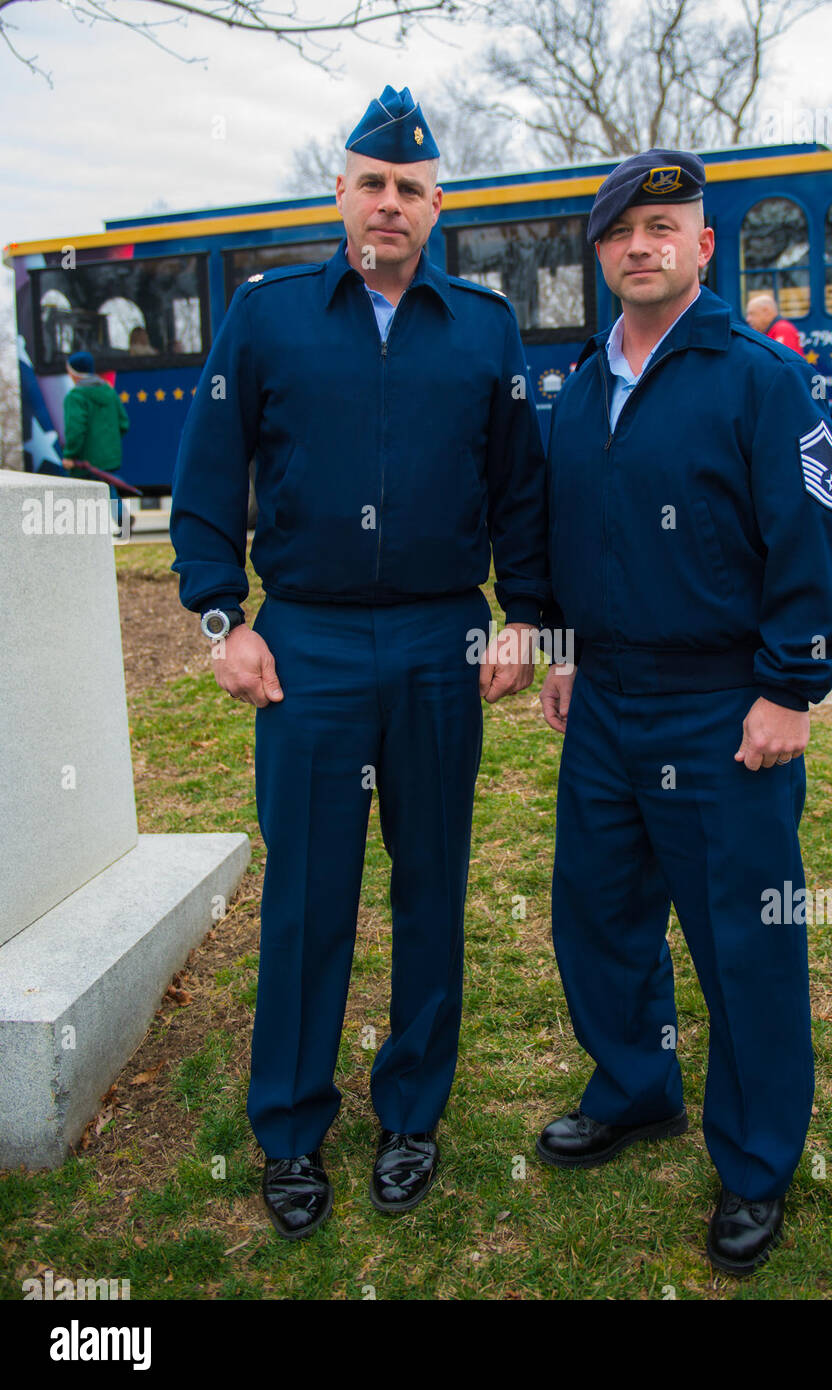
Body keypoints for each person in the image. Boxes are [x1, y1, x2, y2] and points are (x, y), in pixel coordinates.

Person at [169, 86, 549, 1239]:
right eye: (371, 185)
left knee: (431, 886)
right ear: (341, 193)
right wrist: (217, 620)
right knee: (307, 895)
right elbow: (203, 476)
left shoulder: (482, 326)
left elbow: (521, 487)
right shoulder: (268, 315)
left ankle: (411, 1114)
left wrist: (524, 613)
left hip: (440, 638)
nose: (389, 206)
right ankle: (289, 1129)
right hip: (311, 644)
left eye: (411, 191)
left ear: (439, 207)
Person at [537, 149, 832, 1276]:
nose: (642, 244)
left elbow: (815, 540)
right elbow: (574, 533)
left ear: (702, 246)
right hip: (605, 706)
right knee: (597, 914)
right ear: (599, 250)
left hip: (724, 708)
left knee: (747, 943)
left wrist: (789, 687)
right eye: (622, 229)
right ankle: (636, 1090)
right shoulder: (582, 383)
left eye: (664, 226)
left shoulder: (756, 379)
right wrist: (567, 649)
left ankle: (758, 1161)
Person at [61, 350, 130, 532]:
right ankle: (122, 520)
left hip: (84, 458)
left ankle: (84, 529)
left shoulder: (75, 396)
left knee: (81, 492)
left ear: (74, 372)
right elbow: (124, 423)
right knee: (108, 489)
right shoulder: (108, 391)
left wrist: (70, 455)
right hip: (110, 456)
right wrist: (108, 443)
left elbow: (75, 429)